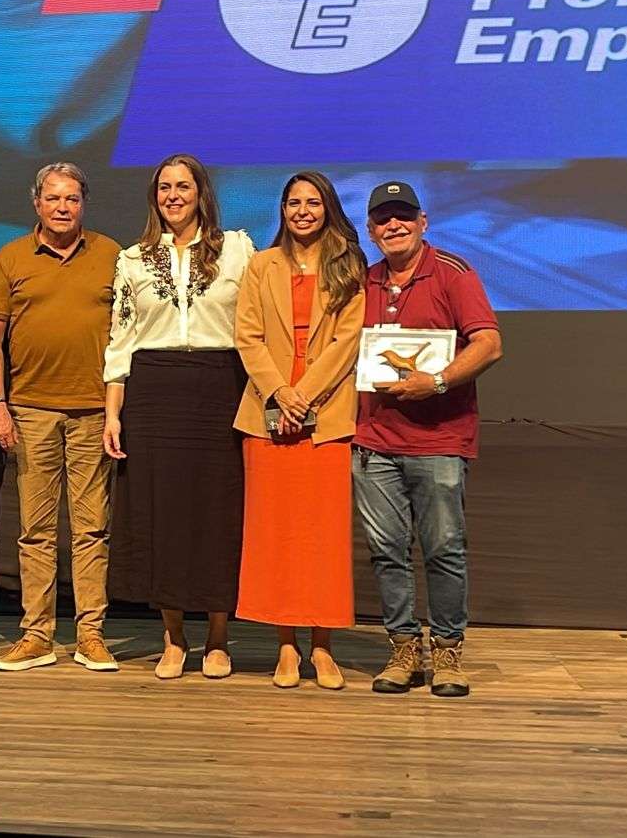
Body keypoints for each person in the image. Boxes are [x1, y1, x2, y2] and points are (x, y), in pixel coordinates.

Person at [104, 154, 253, 680]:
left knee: (216, 513)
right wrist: (114, 414)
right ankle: (173, 637)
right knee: (161, 513)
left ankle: (217, 637)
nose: (173, 195)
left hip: (219, 387)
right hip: (154, 392)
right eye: (164, 187)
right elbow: (120, 340)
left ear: (201, 192)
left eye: (183, 186)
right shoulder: (133, 259)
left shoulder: (238, 249)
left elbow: (256, 324)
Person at [353, 181, 502, 698]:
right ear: (371, 230)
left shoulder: (453, 272)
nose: (393, 225)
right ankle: (402, 649)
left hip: (439, 439)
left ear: (423, 222)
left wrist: (436, 382)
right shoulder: (364, 279)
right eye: (383, 219)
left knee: (444, 549)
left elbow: (489, 343)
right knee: (386, 550)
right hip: (374, 440)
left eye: (403, 216)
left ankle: (447, 651)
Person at [0, 162, 122, 672]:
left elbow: (126, 335)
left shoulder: (112, 255)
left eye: (72, 199)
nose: (63, 208)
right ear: (36, 202)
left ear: (84, 204)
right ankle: (37, 636)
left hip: (93, 412)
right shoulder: (12, 256)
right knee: (36, 531)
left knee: (91, 530)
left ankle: (91, 636)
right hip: (31, 411)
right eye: (54, 198)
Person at [234, 172, 366, 690]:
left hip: (325, 416)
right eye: (294, 202)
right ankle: (286, 645)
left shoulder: (348, 265)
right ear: (283, 209)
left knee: (322, 537)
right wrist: (279, 392)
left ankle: (323, 646)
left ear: (327, 208)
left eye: (312, 202)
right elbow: (247, 336)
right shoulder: (261, 265)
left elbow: (347, 342)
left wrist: (302, 396)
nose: (303, 211)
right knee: (277, 535)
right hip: (267, 415)